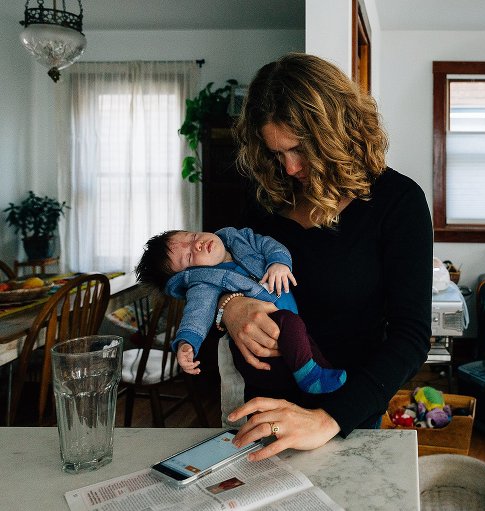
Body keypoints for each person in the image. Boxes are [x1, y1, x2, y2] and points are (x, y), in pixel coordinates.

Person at [221, 53, 433, 460]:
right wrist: (229, 308)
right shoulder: (264, 197)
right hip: (263, 411)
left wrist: (328, 418)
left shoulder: (398, 202)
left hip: (346, 412)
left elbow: (410, 337)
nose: (290, 167)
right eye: (277, 153)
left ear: (337, 130)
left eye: (299, 149)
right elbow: (217, 270)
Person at [134, 227, 347, 394]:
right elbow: (196, 313)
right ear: (189, 273)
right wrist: (187, 342)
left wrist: (279, 263)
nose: (197, 245)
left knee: (309, 348)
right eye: (189, 257)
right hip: (261, 339)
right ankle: (312, 383)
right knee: (292, 330)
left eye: (192, 237)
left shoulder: (239, 237)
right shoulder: (203, 283)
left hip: (290, 325)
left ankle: (325, 382)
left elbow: (269, 245)